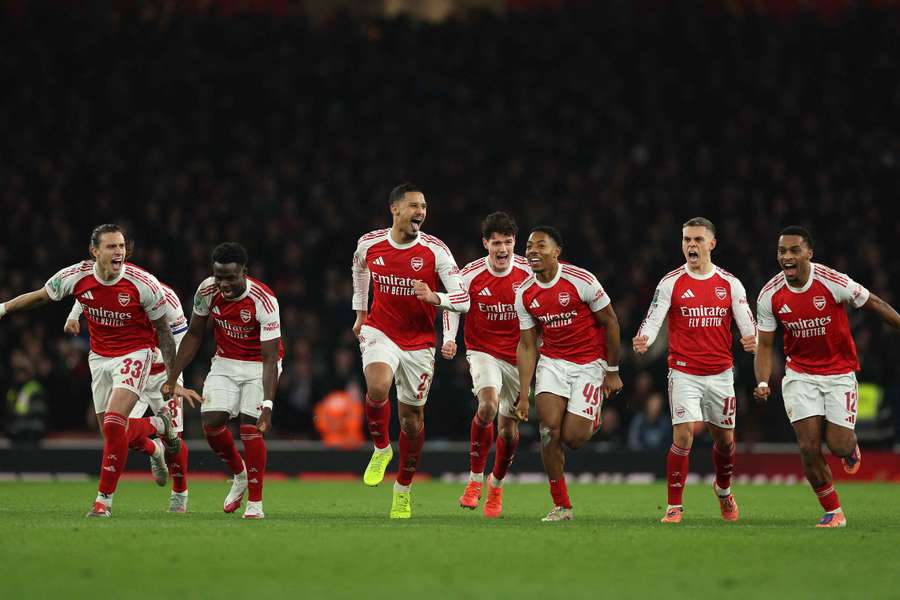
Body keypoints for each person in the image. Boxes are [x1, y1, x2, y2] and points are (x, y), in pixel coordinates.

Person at [0, 223, 195, 517]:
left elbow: (169, 335)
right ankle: (156, 435)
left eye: (122, 247)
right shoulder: (76, 276)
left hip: (141, 357)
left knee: (123, 424)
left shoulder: (149, 287)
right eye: (112, 247)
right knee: (112, 432)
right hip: (101, 358)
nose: (119, 252)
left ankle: (111, 501)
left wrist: (173, 378)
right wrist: (3, 308)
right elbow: (45, 295)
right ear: (94, 251)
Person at [754, 226, 900, 528]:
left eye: (794, 250)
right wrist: (763, 381)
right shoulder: (770, 294)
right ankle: (833, 511)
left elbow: (875, 303)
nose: (787, 257)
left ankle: (849, 448)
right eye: (782, 251)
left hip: (839, 373)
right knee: (808, 445)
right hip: (800, 375)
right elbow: (765, 344)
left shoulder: (833, 281)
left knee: (838, 446)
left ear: (809, 253)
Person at [352, 182, 469, 519]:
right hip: (380, 330)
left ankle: (402, 488)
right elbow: (359, 269)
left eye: (424, 207)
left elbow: (463, 298)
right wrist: (360, 312)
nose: (421, 212)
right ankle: (380, 448)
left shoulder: (436, 251)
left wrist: (436, 298)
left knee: (412, 421)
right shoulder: (369, 244)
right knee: (376, 387)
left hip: (418, 343)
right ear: (395, 209)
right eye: (414, 205)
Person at [633, 217, 756, 524]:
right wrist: (644, 338)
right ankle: (674, 505)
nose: (691, 245)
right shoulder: (671, 282)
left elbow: (746, 321)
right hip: (684, 371)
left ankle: (724, 490)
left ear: (711, 244)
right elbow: (654, 316)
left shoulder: (729, 283)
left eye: (698, 240)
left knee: (725, 441)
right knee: (684, 436)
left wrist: (751, 337)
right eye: (687, 239)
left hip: (720, 373)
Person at [162, 242, 283, 520]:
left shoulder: (264, 300)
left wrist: (268, 405)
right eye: (219, 277)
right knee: (212, 422)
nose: (224, 284)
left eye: (230, 277)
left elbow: (269, 357)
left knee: (250, 429)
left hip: (258, 365)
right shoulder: (207, 290)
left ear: (244, 272)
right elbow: (193, 334)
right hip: (225, 362)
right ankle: (239, 474)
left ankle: (255, 503)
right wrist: (172, 376)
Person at [514, 226, 622, 522]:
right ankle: (561, 505)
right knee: (548, 431)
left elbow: (611, 323)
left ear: (556, 251)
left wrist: (611, 371)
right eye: (529, 246)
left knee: (573, 438)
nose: (532, 251)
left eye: (540, 245)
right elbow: (526, 345)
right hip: (553, 363)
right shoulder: (524, 292)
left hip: (589, 365)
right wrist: (524, 395)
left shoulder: (581, 280)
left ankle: (592, 415)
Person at [66, 280, 191, 512]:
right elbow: (85, 298)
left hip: (165, 374)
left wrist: (172, 378)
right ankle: (155, 445)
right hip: (134, 370)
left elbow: (183, 339)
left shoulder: (168, 300)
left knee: (174, 442)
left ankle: (180, 492)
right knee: (116, 432)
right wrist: (72, 316)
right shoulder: (120, 294)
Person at [442, 211, 531, 518]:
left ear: (515, 242)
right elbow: (454, 302)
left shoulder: (529, 273)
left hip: (519, 357)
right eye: (496, 243)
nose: (503, 249)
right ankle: (474, 481)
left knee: (507, 431)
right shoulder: (470, 273)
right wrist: (450, 337)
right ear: (485, 244)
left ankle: (496, 485)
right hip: (483, 351)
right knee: (488, 405)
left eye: (508, 242)